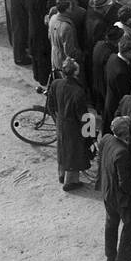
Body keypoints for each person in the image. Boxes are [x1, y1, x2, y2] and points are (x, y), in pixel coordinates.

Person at [99, 116, 131, 261]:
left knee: (111, 223)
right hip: (120, 197)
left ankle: (110, 255)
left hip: (107, 190)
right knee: (130, 224)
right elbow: (125, 182)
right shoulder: (122, 152)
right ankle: (124, 259)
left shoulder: (106, 139)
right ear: (126, 133)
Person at [54, 58, 93, 191]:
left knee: (62, 149)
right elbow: (83, 115)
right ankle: (70, 182)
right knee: (73, 153)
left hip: (61, 122)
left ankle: (61, 174)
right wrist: (90, 133)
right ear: (76, 72)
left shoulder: (57, 84)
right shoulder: (78, 91)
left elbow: (51, 104)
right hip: (73, 127)